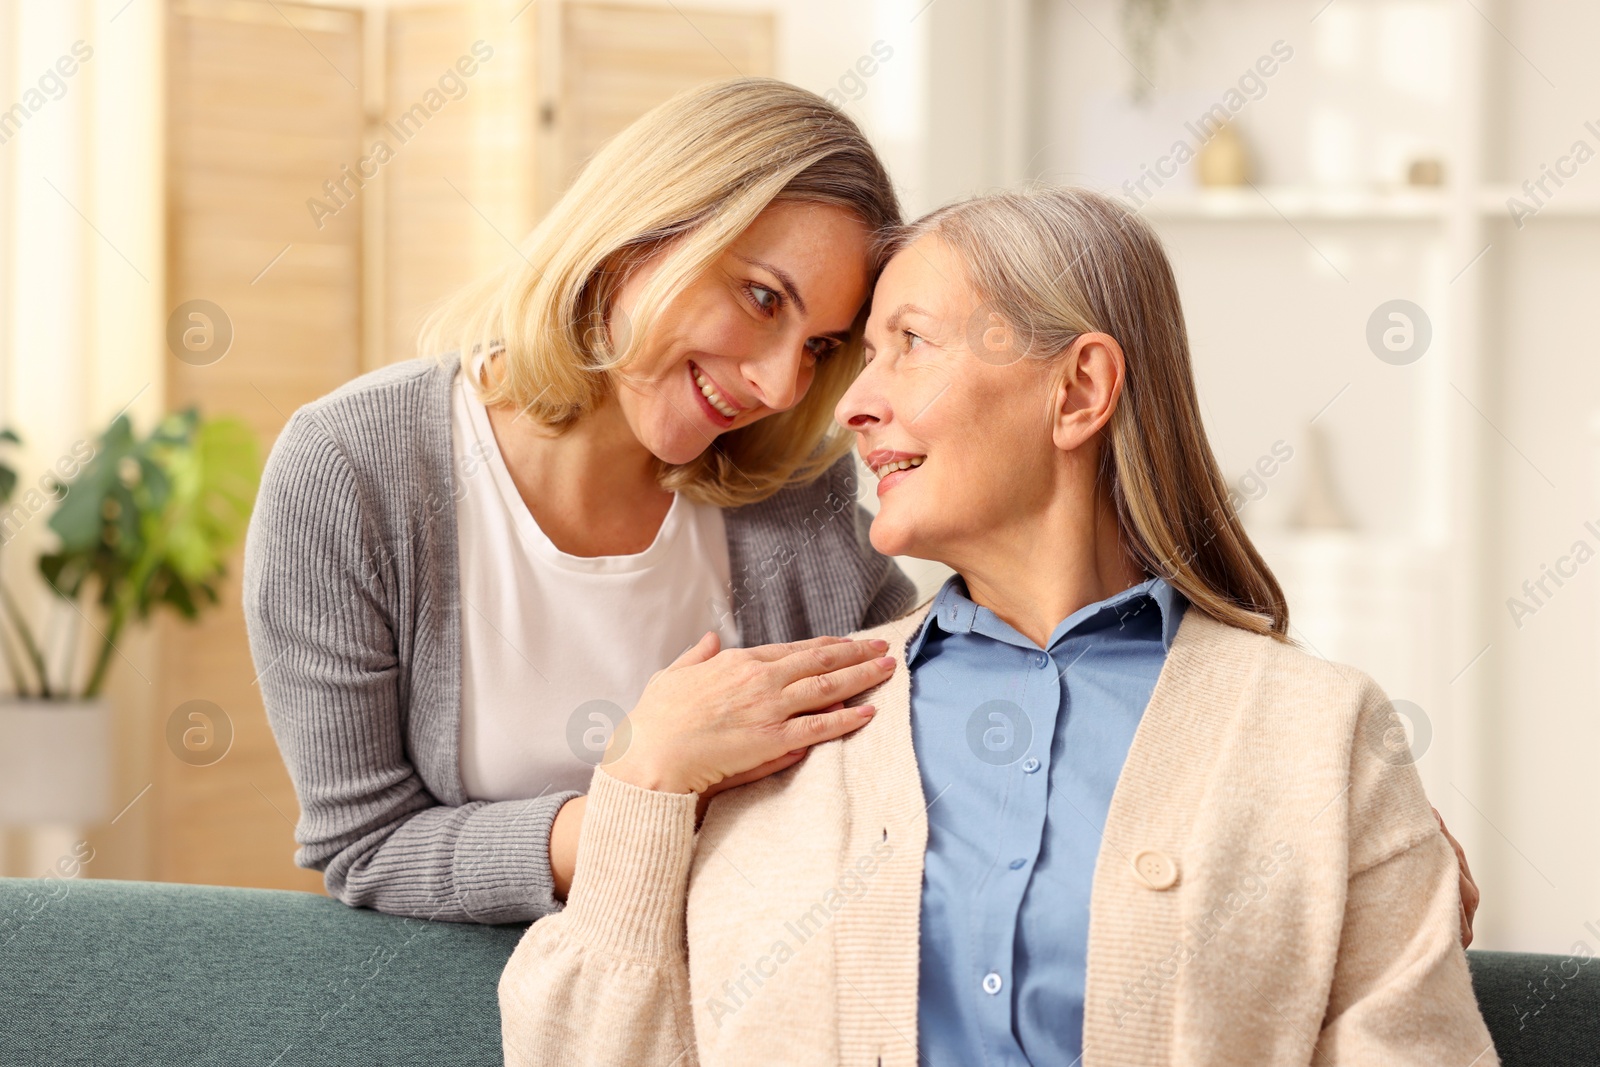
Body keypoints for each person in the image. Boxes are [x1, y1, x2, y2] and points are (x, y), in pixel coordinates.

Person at [498, 187, 1497, 1065]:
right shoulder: (780, 725)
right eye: (860, 357)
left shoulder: (1317, 735)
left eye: (909, 345)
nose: (852, 404)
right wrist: (636, 785)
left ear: (1078, 390)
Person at [241, 79, 914, 924]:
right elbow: (367, 847)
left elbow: (907, 757)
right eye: (762, 297)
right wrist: (645, 782)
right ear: (640, 233)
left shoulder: (796, 500)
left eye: (819, 345)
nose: (781, 385)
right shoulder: (353, 470)